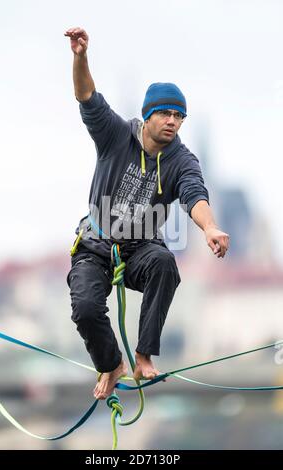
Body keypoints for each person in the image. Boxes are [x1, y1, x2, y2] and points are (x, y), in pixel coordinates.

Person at [64, 27, 230, 400]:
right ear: (148, 115)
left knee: (165, 263)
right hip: (95, 245)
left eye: (179, 116)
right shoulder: (115, 134)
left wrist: (210, 227)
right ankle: (111, 364)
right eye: (166, 114)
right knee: (87, 310)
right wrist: (80, 57)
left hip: (140, 249)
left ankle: (143, 356)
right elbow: (86, 96)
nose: (173, 121)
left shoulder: (181, 160)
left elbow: (194, 195)